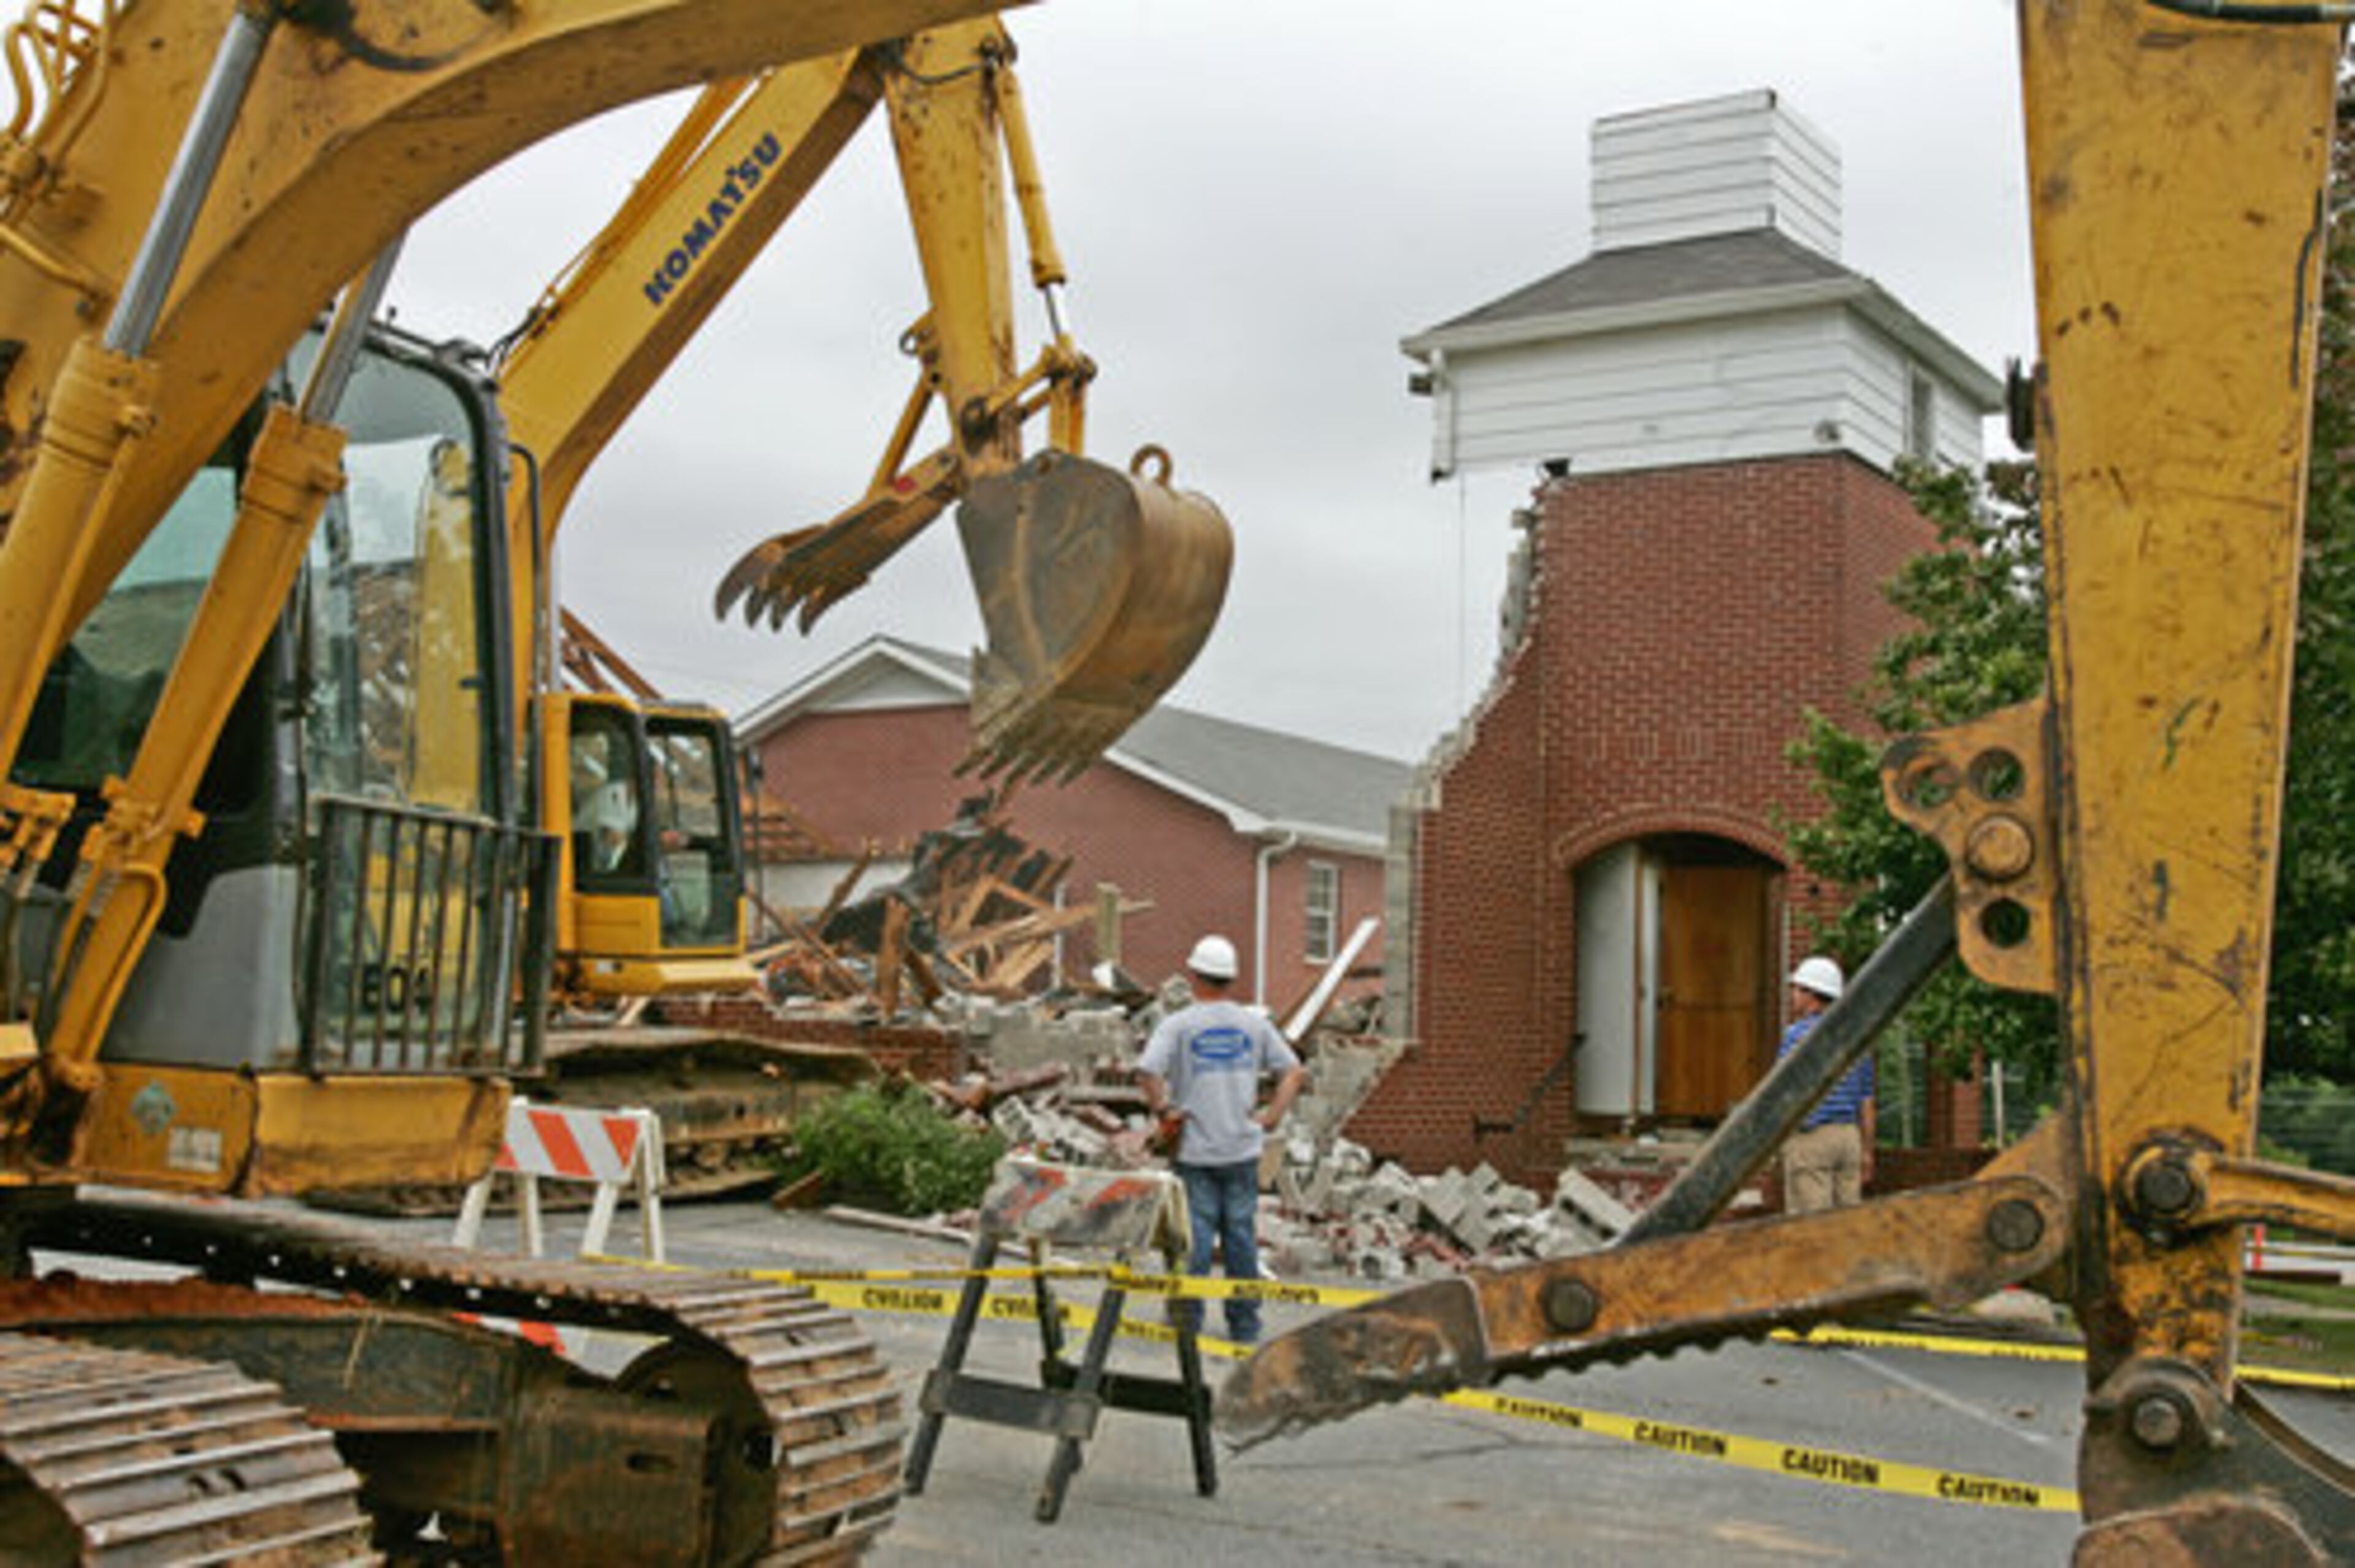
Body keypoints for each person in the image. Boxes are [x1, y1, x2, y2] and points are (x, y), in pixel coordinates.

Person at [1138, 933, 1308, 1345]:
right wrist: (1271, 1116)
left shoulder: (1178, 1025)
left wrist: (1164, 1111)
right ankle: (1244, 1324)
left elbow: (1147, 1071)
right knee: (1241, 1237)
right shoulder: (1254, 1024)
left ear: (1194, 975)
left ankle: (1186, 1320)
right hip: (1242, 1150)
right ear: (1231, 978)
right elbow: (1294, 1071)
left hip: (1195, 1151)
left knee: (1193, 1239)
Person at [1777, 955, 1875, 1214]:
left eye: (1797, 989)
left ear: (1812, 995)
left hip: (1812, 1138)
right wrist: (1867, 1151)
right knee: (1846, 1226)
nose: (1793, 996)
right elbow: (1866, 1100)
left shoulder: (1796, 1036)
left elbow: (1782, 1092)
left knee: (1810, 1228)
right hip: (1848, 1138)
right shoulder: (1858, 1036)